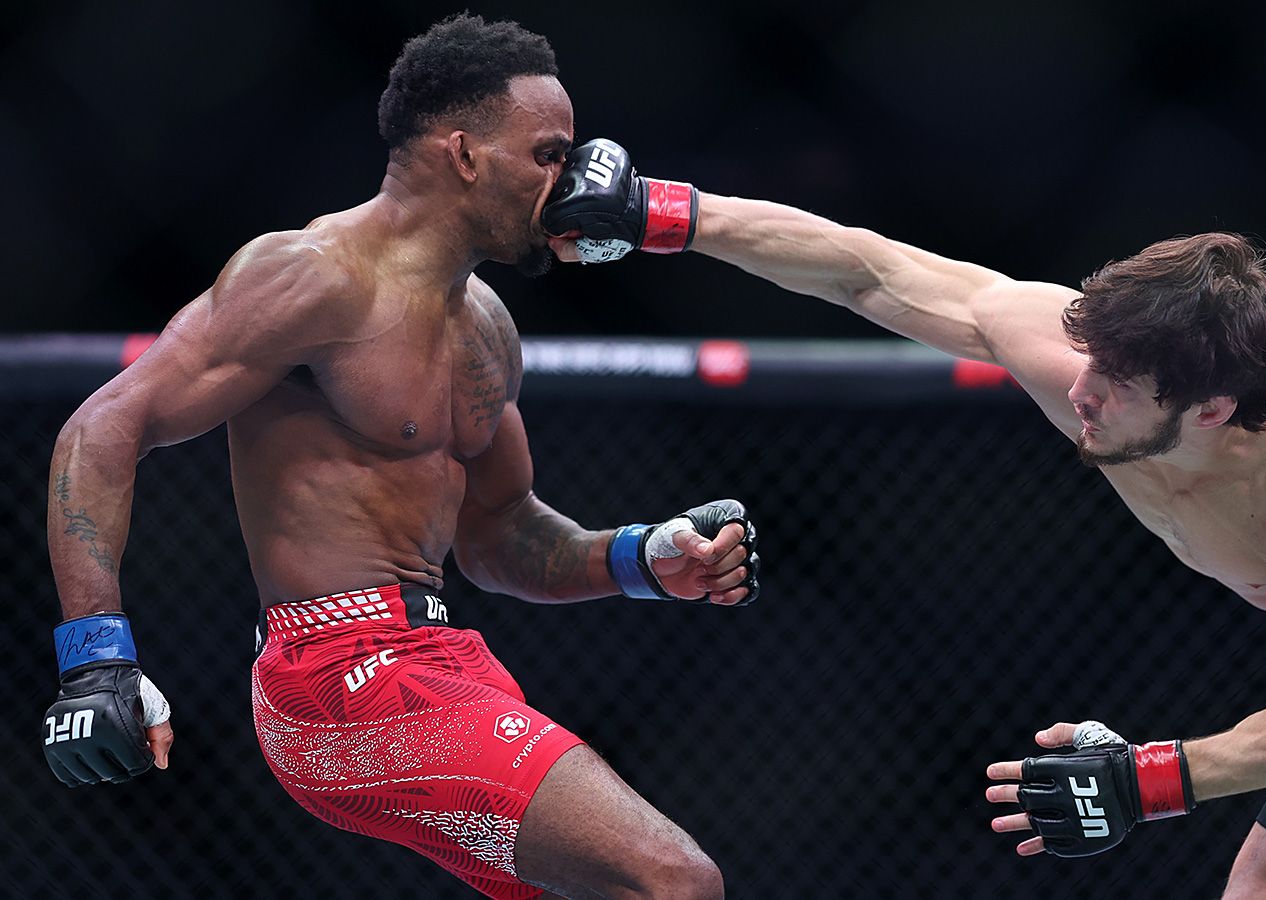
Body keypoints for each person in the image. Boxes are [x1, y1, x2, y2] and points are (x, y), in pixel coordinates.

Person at [537, 140, 1266, 899]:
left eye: (1118, 385)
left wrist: (1144, 781)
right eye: (1089, 359)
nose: (1082, 391)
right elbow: (864, 268)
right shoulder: (1080, 364)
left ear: (1211, 411)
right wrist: (665, 211)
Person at [39, 18, 759, 900]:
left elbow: (500, 534)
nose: (569, 182)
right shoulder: (312, 276)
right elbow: (103, 428)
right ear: (464, 154)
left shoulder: (486, 326)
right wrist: (96, 658)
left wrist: (642, 558)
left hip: (442, 654)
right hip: (333, 672)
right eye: (547, 155)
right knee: (675, 880)